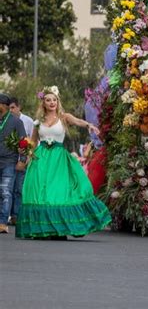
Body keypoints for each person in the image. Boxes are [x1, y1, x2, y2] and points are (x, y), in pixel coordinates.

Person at [16, 86, 111, 239]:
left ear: (57, 101)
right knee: (41, 194)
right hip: (41, 160)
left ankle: (60, 228)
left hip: (59, 160)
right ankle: (45, 229)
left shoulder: (63, 117)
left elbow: (77, 121)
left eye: (54, 100)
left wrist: (89, 125)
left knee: (58, 193)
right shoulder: (38, 122)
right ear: (44, 103)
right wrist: (25, 150)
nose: (52, 102)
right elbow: (33, 142)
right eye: (48, 100)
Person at [0, 93, 27, 234]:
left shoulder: (16, 121)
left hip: (9, 162)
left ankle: (3, 223)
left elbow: (23, 141)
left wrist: (22, 161)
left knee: (6, 192)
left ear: (3, 106)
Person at [8, 97, 34, 227]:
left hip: (22, 160)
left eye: (13, 107)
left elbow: (32, 140)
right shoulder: (6, 120)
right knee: (8, 188)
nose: (11, 110)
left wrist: (28, 157)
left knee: (18, 188)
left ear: (19, 107)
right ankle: (8, 214)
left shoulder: (28, 121)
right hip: (8, 160)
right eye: (9, 108)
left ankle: (16, 216)